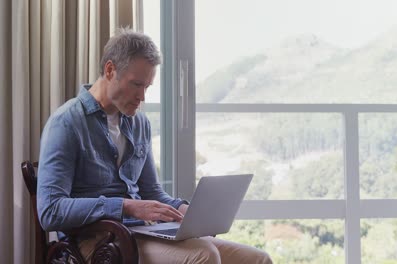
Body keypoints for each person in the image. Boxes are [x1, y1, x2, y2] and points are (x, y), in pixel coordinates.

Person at [37, 28, 272, 264]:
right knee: (205, 255)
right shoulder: (66, 123)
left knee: (257, 258)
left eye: (147, 87)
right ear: (110, 70)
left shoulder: (139, 123)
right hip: (97, 242)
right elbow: (50, 211)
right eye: (136, 84)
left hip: (141, 232)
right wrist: (126, 206)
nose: (142, 97)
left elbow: (151, 192)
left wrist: (183, 210)